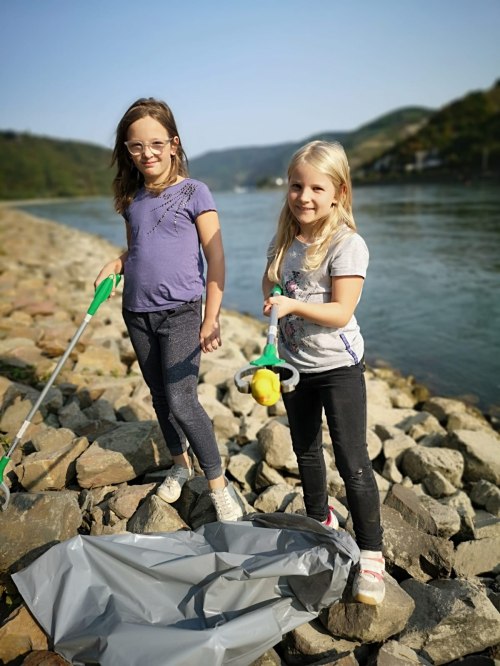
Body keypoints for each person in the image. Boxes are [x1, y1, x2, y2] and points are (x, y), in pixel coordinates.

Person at [94, 97, 244, 522]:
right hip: (136, 312)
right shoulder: (132, 197)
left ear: (174, 143)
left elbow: (216, 258)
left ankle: (218, 483)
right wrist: (117, 262)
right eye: (136, 146)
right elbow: (141, 247)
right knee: (160, 397)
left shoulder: (196, 192)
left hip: (181, 311)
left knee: (181, 399)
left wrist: (211, 316)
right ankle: (180, 463)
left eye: (156, 143)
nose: (147, 153)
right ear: (128, 150)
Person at [261, 140, 385, 605]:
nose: (304, 196)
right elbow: (271, 279)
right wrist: (273, 297)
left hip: (338, 367)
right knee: (306, 450)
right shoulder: (285, 240)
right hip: (294, 364)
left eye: (317, 187)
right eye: (297, 186)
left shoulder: (348, 244)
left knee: (353, 461)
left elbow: (340, 310)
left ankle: (372, 555)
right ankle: (319, 520)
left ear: (339, 192)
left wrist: (292, 303)